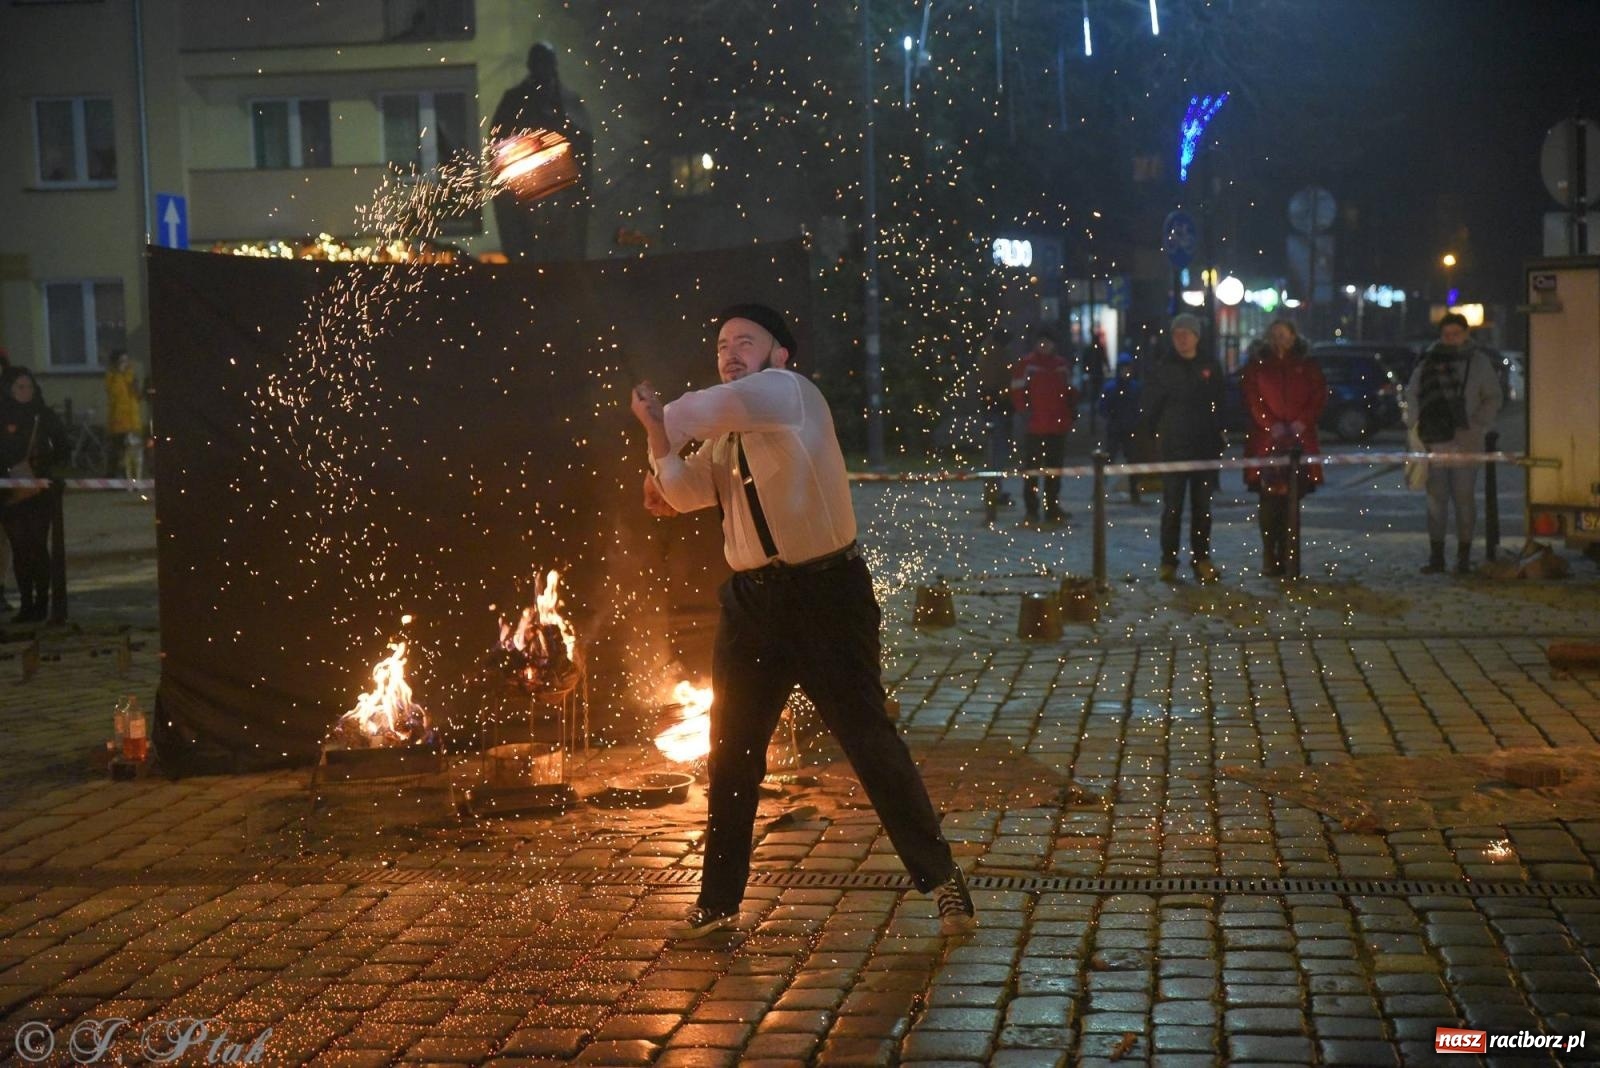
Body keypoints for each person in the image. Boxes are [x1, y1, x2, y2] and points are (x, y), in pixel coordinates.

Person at [628, 303, 974, 939]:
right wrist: (658, 445)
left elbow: (693, 413)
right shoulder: (727, 433)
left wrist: (662, 419)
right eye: (722, 342)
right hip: (751, 604)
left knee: (868, 742)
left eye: (746, 341)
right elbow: (682, 493)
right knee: (731, 755)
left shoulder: (790, 396)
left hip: (826, 596)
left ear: (779, 355)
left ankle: (942, 878)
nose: (730, 352)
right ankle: (718, 902)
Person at [1404, 313, 1502, 574]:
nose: (1450, 339)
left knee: (1463, 498)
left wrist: (1477, 424)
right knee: (1436, 499)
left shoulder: (1478, 362)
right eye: (1446, 335)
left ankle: (1463, 556)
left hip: (1466, 440)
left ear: (1466, 334)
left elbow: (1493, 397)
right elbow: (1412, 393)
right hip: (1434, 439)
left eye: (1455, 334)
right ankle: (1437, 556)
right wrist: (1414, 423)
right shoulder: (1428, 361)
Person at [1140, 314, 1225, 583]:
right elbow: (1150, 407)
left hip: (1203, 446)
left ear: (1196, 337)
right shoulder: (1164, 367)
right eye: (1177, 333)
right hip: (1174, 446)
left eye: (1187, 333)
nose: (1182, 338)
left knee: (1202, 507)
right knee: (1173, 507)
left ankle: (1201, 558)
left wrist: (1219, 432)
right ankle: (1168, 560)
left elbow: (1221, 402)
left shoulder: (1210, 365)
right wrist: (1152, 437)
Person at [490, 42, 593, 262]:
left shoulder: (568, 102)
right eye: (538, 64)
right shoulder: (514, 101)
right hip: (525, 201)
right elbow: (499, 148)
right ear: (531, 66)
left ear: (553, 66)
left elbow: (583, 146)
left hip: (563, 202)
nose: (542, 70)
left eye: (546, 63)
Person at [1241, 320, 1326, 577]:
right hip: (1266, 443)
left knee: (1292, 502)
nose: (1280, 339)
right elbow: (1252, 398)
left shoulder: (1307, 367)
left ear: (1293, 337)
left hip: (1299, 441)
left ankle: (1290, 554)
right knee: (1269, 503)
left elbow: (1318, 396)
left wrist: (1302, 422)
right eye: (1275, 335)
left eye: (1285, 335)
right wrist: (1271, 425)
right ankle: (1271, 554)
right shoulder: (1257, 367)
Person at [0, 368, 68, 623]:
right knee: (19, 548)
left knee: (37, 546)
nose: (25, 391)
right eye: (19, 387)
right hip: (10, 493)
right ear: (8, 389)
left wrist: (39, 466)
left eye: (29, 386)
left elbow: (64, 448)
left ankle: (42, 603)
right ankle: (26, 603)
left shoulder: (44, 415)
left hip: (39, 492)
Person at [1010, 327, 1078, 526]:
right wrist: (1025, 412)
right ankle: (1032, 510)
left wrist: (1071, 410)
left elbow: (1070, 390)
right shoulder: (1027, 364)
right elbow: (1017, 391)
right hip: (1036, 426)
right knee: (1033, 470)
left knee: (1054, 470)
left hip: (1057, 425)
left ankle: (1052, 507)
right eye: (1041, 342)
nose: (1044, 346)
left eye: (1047, 342)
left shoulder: (1061, 365)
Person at [978, 327, 1016, 526]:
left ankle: (994, 490)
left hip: (993, 405)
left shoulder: (988, 351)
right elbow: (1001, 380)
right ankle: (994, 491)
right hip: (997, 406)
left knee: (995, 450)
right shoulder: (996, 353)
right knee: (997, 451)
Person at [1099, 356, 1144, 503]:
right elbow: (1104, 407)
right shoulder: (1116, 387)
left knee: (1131, 460)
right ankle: (1100, 489)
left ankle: (1134, 491)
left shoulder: (1133, 387)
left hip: (1126, 427)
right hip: (1118, 427)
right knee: (1111, 459)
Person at [104, 349, 142, 480]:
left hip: (133, 421)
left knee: (133, 453)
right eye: (122, 361)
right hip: (118, 422)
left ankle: (132, 478)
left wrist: (130, 379)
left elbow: (137, 395)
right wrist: (119, 374)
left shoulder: (131, 376)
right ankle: (115, 478)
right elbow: (113, 394)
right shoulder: (112, 377)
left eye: (126, 360)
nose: (125, 364)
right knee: (118, 453)